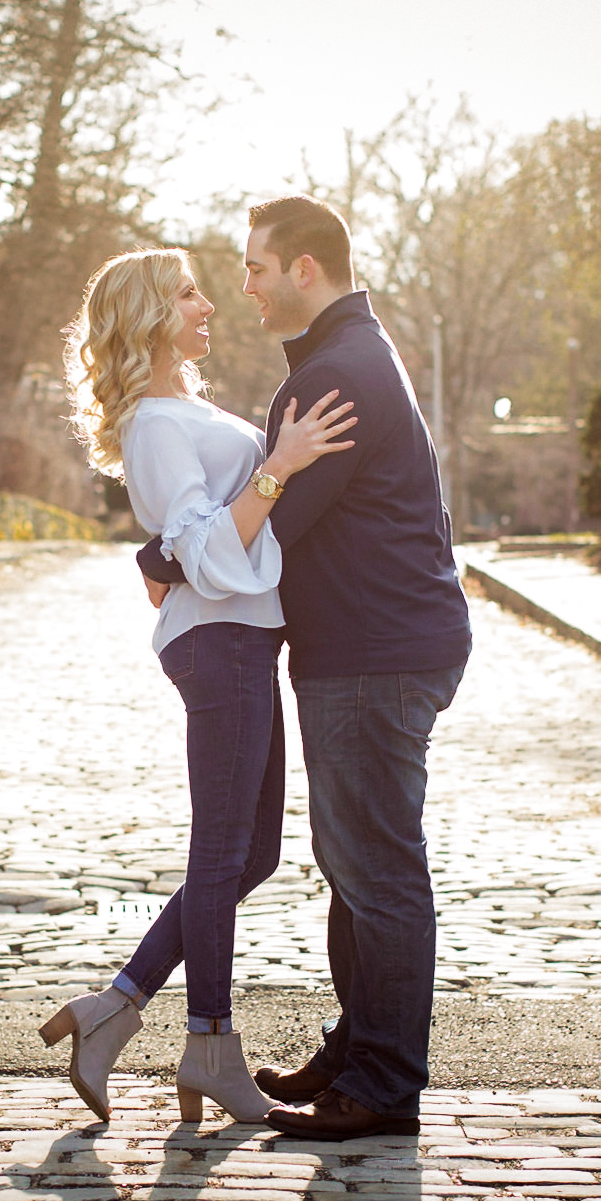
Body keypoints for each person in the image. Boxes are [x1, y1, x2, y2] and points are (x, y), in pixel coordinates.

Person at [136, 195, 472, 1142]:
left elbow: (263, 530)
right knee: (354, 862)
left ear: (304, 271)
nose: (242, 285)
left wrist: (160, 558)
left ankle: (385, 1083)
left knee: (380, 870)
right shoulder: (348, 359)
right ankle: (355, 1046)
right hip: (375, 644)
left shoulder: (331, 380)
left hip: (374, 650)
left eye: (253, 266)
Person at [39, 247, 357, 1127]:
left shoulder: (183, 408)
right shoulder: (152, 422)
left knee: (250, 854)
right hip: (216, 643)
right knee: (222, 850)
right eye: (185, 294)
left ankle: (115, 1005)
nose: (207, 303)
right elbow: (206, 548)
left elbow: (187, 548)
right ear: (147, 315)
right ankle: (210, 1043)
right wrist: (279, 463)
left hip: (243, 639)